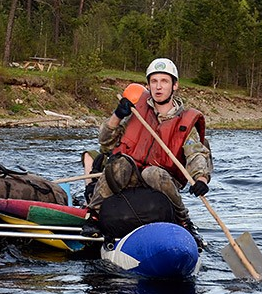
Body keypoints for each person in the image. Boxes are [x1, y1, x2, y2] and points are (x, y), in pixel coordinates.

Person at [83, 58, 212, 246]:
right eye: (154, 81)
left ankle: (184, 221)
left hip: (162, 179)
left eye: (164, 81)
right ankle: (93, 216)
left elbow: (196, 154)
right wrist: (117, 116)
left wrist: (201, 179)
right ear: (148, 85)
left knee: (152, 172)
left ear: (174, 86)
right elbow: (105, 144)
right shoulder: (136, 111)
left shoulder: (185, 122)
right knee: (119, 164)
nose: (158, 87)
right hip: (131, 175)